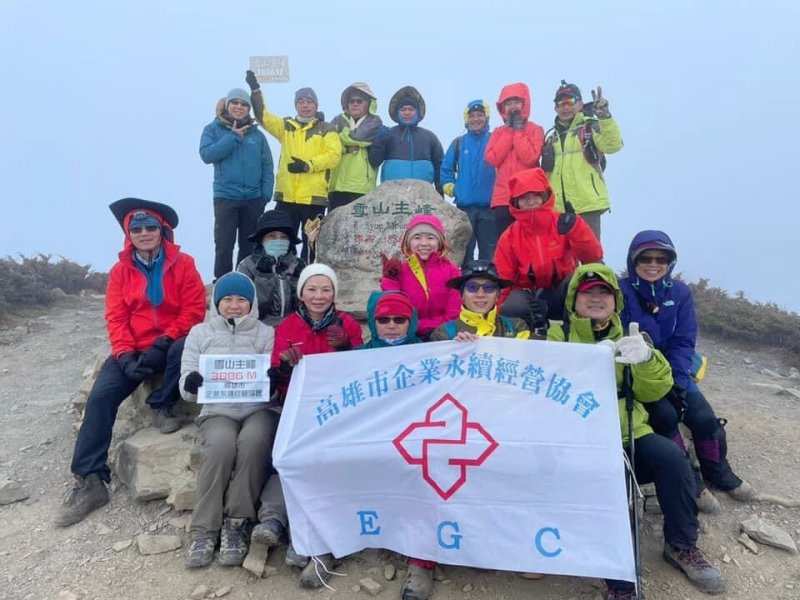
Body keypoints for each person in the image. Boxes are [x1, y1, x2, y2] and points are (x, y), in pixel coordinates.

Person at [549, 264, 725, 599]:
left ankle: (681, 545)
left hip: (628, 432)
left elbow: (655, 391)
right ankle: (620, 582)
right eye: (588, 293)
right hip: (576, 439)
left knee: (673, 459)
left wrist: (645, 359)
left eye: (604, 293)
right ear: (574, 299)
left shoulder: (631, 337)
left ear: (615, 300)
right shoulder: (555, 335)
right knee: (611, 488)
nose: (596, 299)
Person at [55, 198, 206, 528]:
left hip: (168, 344)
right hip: (133, 349)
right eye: (135, 228)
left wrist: (163, 342)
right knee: (100, 398)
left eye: (150, 226)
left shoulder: (184, 263)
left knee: (185, 345)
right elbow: (116, 316)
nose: (144, 232)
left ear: (162, 229)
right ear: (128, 233)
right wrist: (124, 355)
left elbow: (193, 310)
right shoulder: (120, 271)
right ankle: (91, 480)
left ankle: (162, 406)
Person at [620, 231, 755, 510]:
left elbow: (684, 340)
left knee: (704, 418)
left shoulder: (680, 293)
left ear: (671, 261)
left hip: (676, 373)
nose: (653, 264)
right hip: (642, 376)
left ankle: (718, 472)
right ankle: (692, 482)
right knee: (666, 418)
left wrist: (678, 383)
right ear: (633, 260)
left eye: (661, 258)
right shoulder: (620, 292)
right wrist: (657, 382)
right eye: (645, 257)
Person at [253, 263, 363, 589]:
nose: (318, 296)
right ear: (301, 292)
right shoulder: (287, 326)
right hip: (297, 409)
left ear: (334, 294)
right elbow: (275, 375)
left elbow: (361, 371)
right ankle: (274, 520)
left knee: (327, 463)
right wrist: (284, 368)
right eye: (312, 289)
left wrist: (346, 348)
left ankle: (318, 541)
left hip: (338, 411)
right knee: (287, 457)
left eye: (325, 289)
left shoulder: (346, 325)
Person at [180, 272, 276, 569]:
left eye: (242, 300)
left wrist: (273, 381)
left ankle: (237, 522)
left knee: (254, 442)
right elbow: (185, 382)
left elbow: (272, 379)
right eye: (228, 300)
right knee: (220, 447)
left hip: (256, 407)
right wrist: (192, 384)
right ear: (216, 303)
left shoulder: (264, 333)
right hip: (217, 410)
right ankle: (204, 529)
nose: (234, 306)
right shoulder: (200, 334)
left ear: (252, 304)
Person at [245, 71, 342, 262]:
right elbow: (262, 116)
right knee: (282, 240)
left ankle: (309, 279)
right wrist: (255, 90)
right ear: (296, 105)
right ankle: (283, 276)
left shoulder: (327, 129)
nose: (305, 105)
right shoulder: (285, 126)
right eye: (301, 102)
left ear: (316, 105)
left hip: (313, 198)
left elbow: (333, 156)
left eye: (309, 102)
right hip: (286, 196)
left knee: (311, 242)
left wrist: (308, 166)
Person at [494, 167, 602, 329]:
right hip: (528, 296)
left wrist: (575, 230)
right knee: (512, 306)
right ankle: (527, 333)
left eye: (536, 195)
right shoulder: (509, 237)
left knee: (582, 279)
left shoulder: (565, 222)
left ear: (545, 196)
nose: (531, 201)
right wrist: (496, 315)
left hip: (563, 291)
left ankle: (584, 330)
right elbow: (502, 280)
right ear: (515, 202)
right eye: (524, 197)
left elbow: (593, 257)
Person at [199, 88, 274, 280]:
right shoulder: (212, 129)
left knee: (249, 246)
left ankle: (245, 284)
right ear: (227, 105)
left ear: (248, 109)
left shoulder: (257, 135)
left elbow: (267, 165)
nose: (239, 107)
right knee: (224, 244)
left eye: (244, 104)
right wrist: (233, 137)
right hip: (226, 197)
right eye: (235, 103)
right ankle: (222, 286)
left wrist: (265, 195)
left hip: (253, 199)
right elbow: (207, 155)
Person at [540, 81, 623, 240]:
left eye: (570, 102)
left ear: (580, 103)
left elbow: (613, 145)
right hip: (558, 210)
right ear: (555, 108)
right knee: (563, 260)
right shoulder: (551, 137)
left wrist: (604, 117)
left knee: (590, 257)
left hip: (587, 205)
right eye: (561, 103)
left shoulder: (591, 126)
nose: (565, 107)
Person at [381, 215, 461, 339]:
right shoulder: (399, 270)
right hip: (409, 335)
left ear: (440, 242)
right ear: (408, 242)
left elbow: (453, 314)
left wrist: (434, 328)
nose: (424, 243)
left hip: (444, 334)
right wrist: (389, 280)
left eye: (431, 238)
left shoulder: (452, 271)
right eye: (417, 238)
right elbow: (395, 307)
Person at [484, 82, 545, 238]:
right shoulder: (498, 132)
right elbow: (492, 159)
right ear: (502, 108)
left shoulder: (535, 129)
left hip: (528, 197)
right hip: (502, 200)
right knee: (506, 244)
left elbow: (530, 158)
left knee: (530, 242)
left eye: (516, 102)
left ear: (525, 104)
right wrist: (510, 131)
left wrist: (518, 132)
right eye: (508, 103)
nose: (512, 107)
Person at [440, 100, 497, 265]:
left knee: (489, 253)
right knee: (464, 253)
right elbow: (445, 169)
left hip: (490, 208)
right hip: (464, 209)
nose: (476, 119)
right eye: (472, 116)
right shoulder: (459, 143)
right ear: (466, 119)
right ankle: (466, 287)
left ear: (486, 118)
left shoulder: (495, 139)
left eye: (480, 115)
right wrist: (451, 188)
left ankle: (488, 287)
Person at [430, 260, 532, 342]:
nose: (480, 294)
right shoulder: (443, 333)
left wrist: (539, 330)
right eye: (472, 287)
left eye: (489, 288)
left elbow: (532, 361)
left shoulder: (517, 327)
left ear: (497, 296)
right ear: (462, 296)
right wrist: (454, 349)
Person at [368, 85, 444, 192]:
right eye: (403, 109)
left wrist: (440, 192)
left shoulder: (429, 137)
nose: (407, 113)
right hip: (391, 193)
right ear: (397, 113)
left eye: (411, 109)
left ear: (417, 112)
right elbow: (374, 162)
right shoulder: (388, 134)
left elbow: (439, 166)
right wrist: (378, 142)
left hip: (423, 195)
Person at [237, 209, 305, 326]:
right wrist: (264, 277)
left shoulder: (299, 265)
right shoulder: (247, 266)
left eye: (283, 237)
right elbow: (246, 307)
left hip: (294, 329)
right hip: (259, 329)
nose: (278, 240)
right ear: (261, 240)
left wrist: (296, 280)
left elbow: (307, 307)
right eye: (272, 236)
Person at [328, 82, 383, 211]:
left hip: (362, 188)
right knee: (334, 228)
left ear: (369, 104)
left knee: (360, 229)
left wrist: (341, 137)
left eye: (359, 101)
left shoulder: (375, 122)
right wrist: (346, 148)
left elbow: (357, 137)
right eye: (351, 101)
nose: (355, 104)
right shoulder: (337, 120)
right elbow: (330, 146)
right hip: (337, 185)